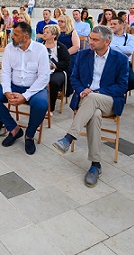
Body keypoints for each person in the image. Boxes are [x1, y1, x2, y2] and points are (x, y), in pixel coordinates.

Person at [52, 26, 129, 187]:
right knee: (94, 115)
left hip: (109, 100)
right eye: (89, 38)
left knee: (93, 98)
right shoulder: (83, 55)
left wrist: (96, 91)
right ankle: (95, 165)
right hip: (85, 98)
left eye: (95, 39)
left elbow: (122, 86)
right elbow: (74, 79)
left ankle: (69, 137)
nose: (90, 41)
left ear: (107, 41)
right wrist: (81, 91)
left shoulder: (120, 59)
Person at [0, 22, 49, 155]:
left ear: (25, 37)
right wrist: (7, 91)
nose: (12, 36)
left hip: (34, 88)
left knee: (41, 104)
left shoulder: (40, 49)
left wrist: (25, 96)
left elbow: (44, 77)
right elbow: (6, 72)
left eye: (16, 34)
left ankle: (29, 135)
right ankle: (14, 129)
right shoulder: (10, 48)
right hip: (14, 85)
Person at [42, 24, 70, 112]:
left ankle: (50, 108)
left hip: (57, 71)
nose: (44, 34)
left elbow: (66, 62)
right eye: (44, 32)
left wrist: (55, 65)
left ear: (54, 35)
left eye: (47, 32)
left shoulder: (61, 47)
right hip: (42, 70)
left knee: (53, 81)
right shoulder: (40, 46)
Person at [109, 17, 134, 90]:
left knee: (133, 82)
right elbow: (105, 48)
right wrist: (122, 49)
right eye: (111, 24)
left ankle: (117, 92)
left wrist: (112, 47)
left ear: (122, 25)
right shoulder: (108, 36)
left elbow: (129, 50)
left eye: (114, 24)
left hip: (124, 63)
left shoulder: (130, 37)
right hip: (109, 62)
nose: (112, 26)